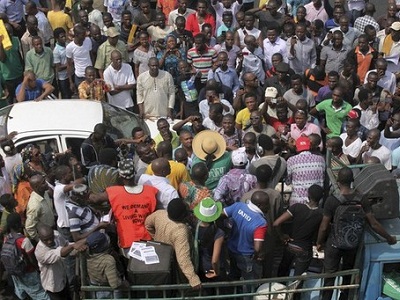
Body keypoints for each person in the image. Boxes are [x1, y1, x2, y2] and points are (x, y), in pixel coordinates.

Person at [317, 167, 397, 300]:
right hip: (352, 246)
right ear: (352, 181)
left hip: (334, 245)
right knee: (348, 278)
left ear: (338, 181)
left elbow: (324, 227)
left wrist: (319, 242)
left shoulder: (332, 201)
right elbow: (374, 224)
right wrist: (389, 238)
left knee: (329, 278)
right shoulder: (362, 199)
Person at [90, 158, 157, 254]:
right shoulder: (150, 191)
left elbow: (94, 199)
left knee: (130, 266)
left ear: (120, 176)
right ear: (134, 174)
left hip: (127, 240)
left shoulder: (113, 192)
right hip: (148, 238)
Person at [145, 198, 202, 288]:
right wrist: (194, 279)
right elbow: (183, 259)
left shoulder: (160, 214)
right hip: (174, 265)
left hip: (159, 257)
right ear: (183, 215)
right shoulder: (180, 231)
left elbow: (147, 224)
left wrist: (155, 238)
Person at [274, 184, 323, 277]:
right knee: (298, 280)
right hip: (305, 249)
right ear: (321, 198)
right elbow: (322, 230)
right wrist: (319, 243)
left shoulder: (296, 207)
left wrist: (282, 236)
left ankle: (278, 290)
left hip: (291, 246)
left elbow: (276, 223)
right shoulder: (321, 214)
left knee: (281, 276)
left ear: (308, 196)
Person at [223, 191, 269, 283]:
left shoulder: (238, 206)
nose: (269, 206)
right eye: (267, 204)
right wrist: (258, 255)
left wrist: (224, 231)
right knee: (250, 284)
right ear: (259, 205)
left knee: (234, 279)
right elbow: (257, 248)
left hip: (232, 250)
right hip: (247, 257)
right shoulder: (261, 223)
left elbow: (221, 214)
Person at [4, 213, 50, 300]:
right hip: (29, 272)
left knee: (22, 292)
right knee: (40, 294)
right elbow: (32, 259)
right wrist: (38, 269)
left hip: (15, 273)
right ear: (18, 224)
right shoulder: (24, 241)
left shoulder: (6, 238)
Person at [35, 225, 87, 300]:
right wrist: (73, 246)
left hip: (63, 278)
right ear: (40, 238)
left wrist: (83, 242)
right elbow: (60, 253)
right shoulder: (40, 251)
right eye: (45, 240)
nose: (49, 241)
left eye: (51, 238)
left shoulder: (56, 235)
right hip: (53, 285)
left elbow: (66, 245)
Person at [286, 136, 325, 206]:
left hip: (297, 202)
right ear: (309, 146)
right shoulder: (321, 159)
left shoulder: (291, 160)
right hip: (317, 202)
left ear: (297, 148)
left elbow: (288, 181)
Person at [193, 197, 225, 281]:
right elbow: (214, 260)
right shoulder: (218, 233)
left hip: (198, 265)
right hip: (211, 269)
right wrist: (217, 272)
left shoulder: (194, 226)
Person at [25, 174, 55, 242]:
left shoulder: (44, 193)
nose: (46, 183)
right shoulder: (35, 205)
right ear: (37, 187)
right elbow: (29, 227)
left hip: (52, 229)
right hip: (46, 237)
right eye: (43, 183)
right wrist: (39, 240)